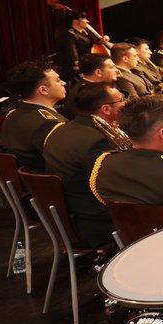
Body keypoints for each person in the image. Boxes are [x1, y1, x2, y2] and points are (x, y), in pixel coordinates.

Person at [43, 82, 127, 247]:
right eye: (121, 100)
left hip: (69, 215)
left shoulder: (58, 130)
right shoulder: (98, 141)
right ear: (106, 109)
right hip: (96, 222)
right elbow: (117, 187)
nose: (125, 104)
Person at [0, 61, 68, 172]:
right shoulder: (49, 124)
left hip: (21, 184)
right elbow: (67, 162)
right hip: (48, 185)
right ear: (43, 90)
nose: (63, 83)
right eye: (58, 80)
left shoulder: (12, 115)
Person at [60, 53, 118, 119]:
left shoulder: (103, 86)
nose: (116, 70)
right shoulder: (84, 94)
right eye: (112, 67)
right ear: (98, 72)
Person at [54, 9, 106, 78]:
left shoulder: (84, 32)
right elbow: (72, 57)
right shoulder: (68, 34)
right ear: (75, 21)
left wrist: (104, 39)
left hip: (88, 66)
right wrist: (80, 73)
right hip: (76, 71)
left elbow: (92, 46)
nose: (87, 21)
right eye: (84, 18)